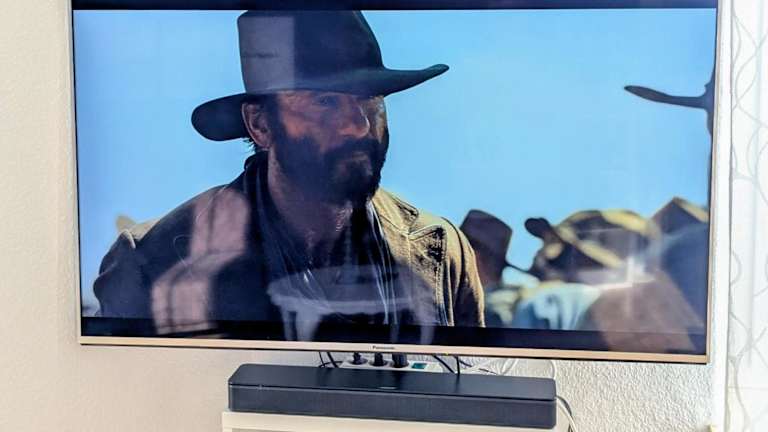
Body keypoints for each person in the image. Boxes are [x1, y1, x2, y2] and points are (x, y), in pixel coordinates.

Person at [93, 10, 484, 339]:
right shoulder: (151, 260)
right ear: (260, 124)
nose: (359, 125)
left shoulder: (441, 250)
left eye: (372, 101)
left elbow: (469, 388)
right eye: (326, 102)